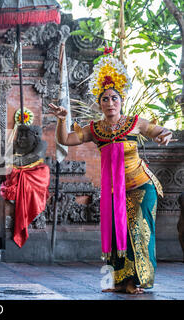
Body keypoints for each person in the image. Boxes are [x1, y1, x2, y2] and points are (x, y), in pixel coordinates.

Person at [48, 54, 174, 294]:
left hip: (141, 186)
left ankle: (135, 281)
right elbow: (65, 139)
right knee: (117, 234)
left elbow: (159, 130)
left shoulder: (135, 123)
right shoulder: (95, 130)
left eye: (114, 98)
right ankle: (119, 282)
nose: (110, 102)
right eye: (105, 99)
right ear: (100, 104)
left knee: (136, 229)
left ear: (121, 101)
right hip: (114, 191)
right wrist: (61, 120)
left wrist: (164, 134)